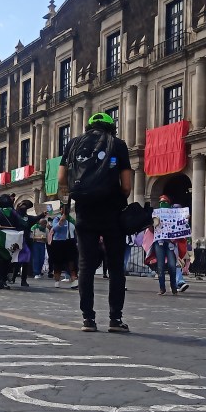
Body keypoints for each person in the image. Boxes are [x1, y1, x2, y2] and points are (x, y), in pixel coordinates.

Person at [58, 111, 133, 332]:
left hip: (84, 212)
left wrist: (70, 199)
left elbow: (62, 179)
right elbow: (127, 186)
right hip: (112, 213)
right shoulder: (117, 144)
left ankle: (88, 319)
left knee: (85, 267)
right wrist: (116, 197)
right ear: (111, 128)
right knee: (116, 267)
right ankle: (115, 319)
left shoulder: (73, 144)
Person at [151, 195, 179, 296]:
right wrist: (153, 222)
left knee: (172, 265)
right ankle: (162, 288)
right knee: (160, 266)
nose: (163, 204)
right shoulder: (155, 214)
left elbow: (180, 226)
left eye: (165, 202)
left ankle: (174, 286)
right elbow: (150, 229)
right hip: (159, 242)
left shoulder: (174, 215)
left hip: (170, 242)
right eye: (161, 202)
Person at [48, 204, 78, 288]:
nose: (66, 210)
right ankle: (57, 280)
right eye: (64, 209)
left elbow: (75, 230)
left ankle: (74, 281)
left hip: (70, 243)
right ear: (60, 210)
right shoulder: (57, 219)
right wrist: (61, 222)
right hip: (58, 243)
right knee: (58, 263)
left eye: (67, 209)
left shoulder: (71, 220)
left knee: (71, 262)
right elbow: (54, 229)